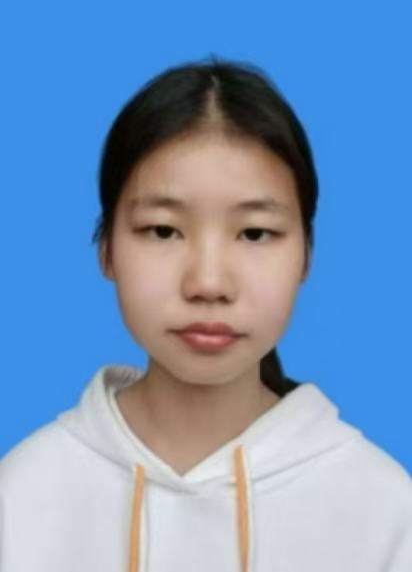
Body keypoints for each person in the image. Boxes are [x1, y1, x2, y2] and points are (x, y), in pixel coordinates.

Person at [1, 57, 411, 572]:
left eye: (255, 233)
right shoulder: (21, 495)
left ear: (307, 254)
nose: (208, 284)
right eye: (163, 231)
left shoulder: (383, 510)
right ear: (106, 249)